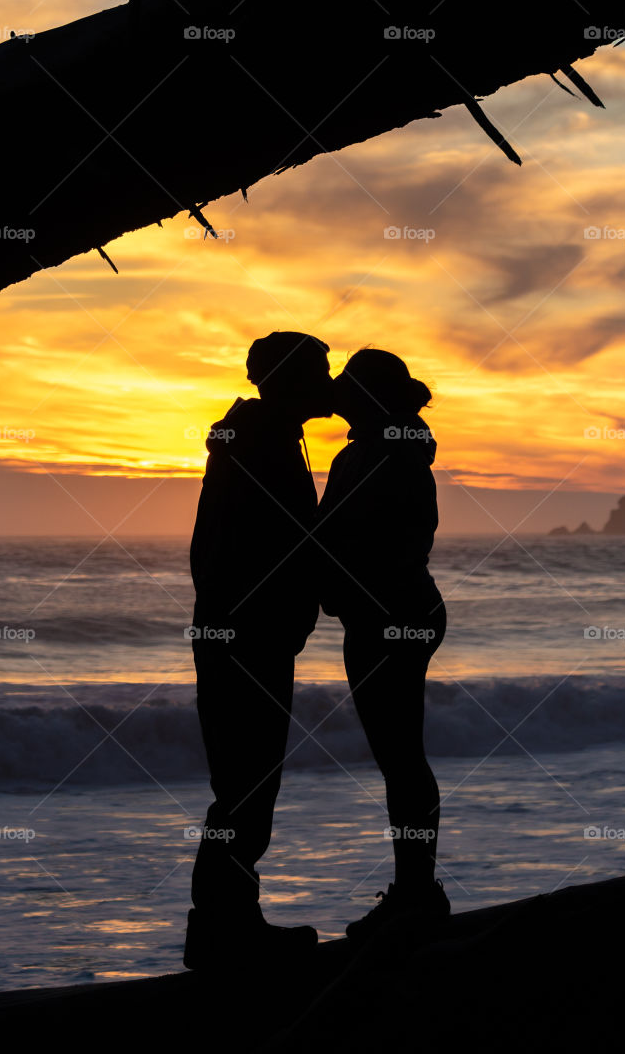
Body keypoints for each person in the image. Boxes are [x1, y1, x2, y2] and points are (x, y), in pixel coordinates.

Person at [183, 330, 333, 969]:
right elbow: (246, 546)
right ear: (290, 380)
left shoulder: (263, 438)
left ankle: (225, 923)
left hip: (245, 632)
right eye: (319, 372)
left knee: (246, 783)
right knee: (245, 783)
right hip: (247, 637)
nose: (328, 384)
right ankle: (222, 928)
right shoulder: (261, 444)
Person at [315, 349, 449, 940]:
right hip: (395, 610)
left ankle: (416, 891)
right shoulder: (380, 448)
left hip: (392, 614)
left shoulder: (384, 454)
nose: (335, 389)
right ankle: (415, 888)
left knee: (401, 759)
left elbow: (369, 541)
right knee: (400, 758)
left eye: (347, 382)